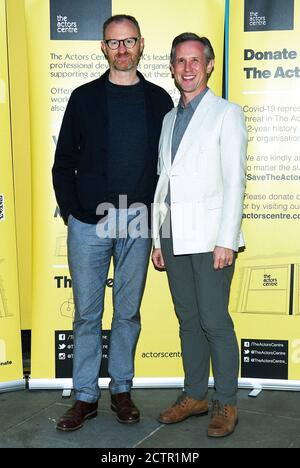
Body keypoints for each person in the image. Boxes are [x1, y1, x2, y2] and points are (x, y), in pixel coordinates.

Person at [53, 14, 173, 432]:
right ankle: (85, 396)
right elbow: (63, 161)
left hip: (138, 219)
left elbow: (167, 169)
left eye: (129, 42)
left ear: (142, 44)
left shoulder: (160, 100)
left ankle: (121, 389)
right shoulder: (83, 97)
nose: (122, 50)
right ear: (103, 48)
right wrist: (72, 210)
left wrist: (159, 223)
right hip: (89, 223)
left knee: (127, 312)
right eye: (114, 43)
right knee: (87, 315)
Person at [152, 33, 247, 438]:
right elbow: (163, 181)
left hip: (210, 237)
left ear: (209, 65)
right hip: (173, 233)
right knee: (188, 319)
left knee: (213, 320)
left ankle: (226, 402)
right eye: (179, 61)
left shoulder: (227, 113)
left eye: (195, 60)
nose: (187, 68)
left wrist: (226, 238)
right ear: (172, 68)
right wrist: (158, 238)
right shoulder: (169, 119)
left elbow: (235, 180)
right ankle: (194, 395)